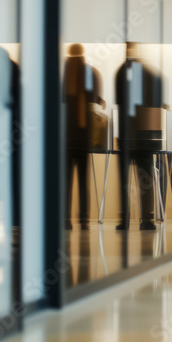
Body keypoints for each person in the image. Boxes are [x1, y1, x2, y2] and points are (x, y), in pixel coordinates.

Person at [115, 41, 166, 231]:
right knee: (146, 180)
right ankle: (147, 219)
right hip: (145, 137)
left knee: (125, 182)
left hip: (128, 135)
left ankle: (126, 219)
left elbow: (120, 102)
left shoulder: (122, 71)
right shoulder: (151, 73)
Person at [64, 43, 105, 230]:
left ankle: (65, 219)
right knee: (83, 181)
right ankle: (84, 220)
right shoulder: (90, 72)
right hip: (84, 135)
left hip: (65, 136)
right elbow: (96, 98)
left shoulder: (62, 74)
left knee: (65, 182)